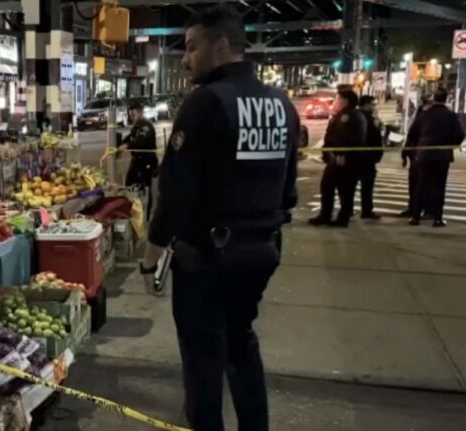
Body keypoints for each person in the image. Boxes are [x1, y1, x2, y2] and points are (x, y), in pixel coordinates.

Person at [139, 6, 300, 430]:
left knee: (202, 358)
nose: (185, 58)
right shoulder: (281, 104)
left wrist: (150, 257)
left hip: (208, 257)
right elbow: (290, 188)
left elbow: (173, 191)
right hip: (262, 251)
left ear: (222, 45)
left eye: (192, 47)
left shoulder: (206, 102)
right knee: (241, 344)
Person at [407, 87, 465, 227]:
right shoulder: (451, 115)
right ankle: (437, 218)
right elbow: (460, 134)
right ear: (446, 99)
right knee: (439, 186)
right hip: (442, 155)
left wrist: (418, 145)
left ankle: (415, 217)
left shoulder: (424, 114)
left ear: (434, 98)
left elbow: (412, 133)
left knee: (421, 185)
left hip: (424, 154)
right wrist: (450, 144)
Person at [308, 89, 367, 227]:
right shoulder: (341, 115)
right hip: (335, 158)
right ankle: (325, 215)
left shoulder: (351, 116)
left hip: (346, 160)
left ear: (345, 100)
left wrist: (344, 154)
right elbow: (332, 135)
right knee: (327, 186)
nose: (336, 102)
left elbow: (352, 138)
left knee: (346, 190)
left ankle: (343, 218)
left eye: (338, 99)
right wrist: (327, 151)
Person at [119, 101, 159, 217]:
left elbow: (141, 141)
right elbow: (129, 138)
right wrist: (120, 146)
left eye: (133, 115)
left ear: (140, 113)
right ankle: (133, 212)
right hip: (137, 162)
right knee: (129, 186)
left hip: (146, 163)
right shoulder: (137, 126)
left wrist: (127, 145)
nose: (131, 117)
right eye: (130, 115)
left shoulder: (145, 126)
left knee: (143, 190)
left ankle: (144, 216)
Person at [356, 95, 384, 219]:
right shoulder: (362, 118)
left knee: (366, 186)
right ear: (366, 105)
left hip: (365, 157)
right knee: (366, 186)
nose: (374, 107)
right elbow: (372, 136)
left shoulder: (367, 117)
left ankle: (366, 210)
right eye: (372, 104)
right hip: (364, 157)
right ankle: (366, 210)